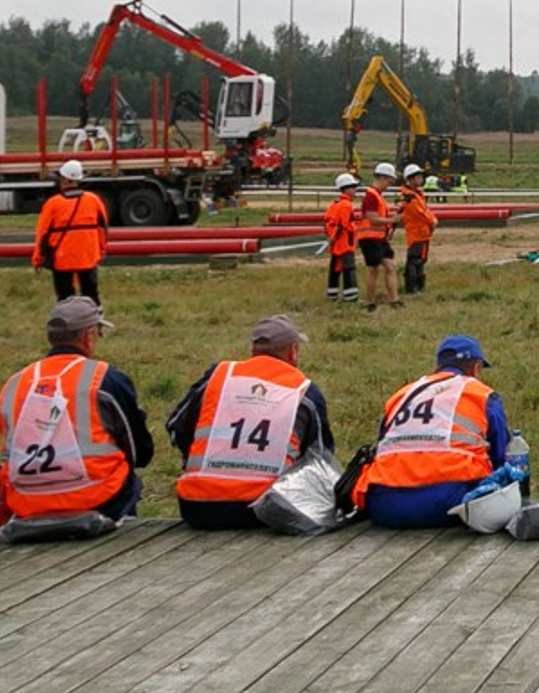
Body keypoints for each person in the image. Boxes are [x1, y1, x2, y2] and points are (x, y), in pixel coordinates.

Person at [167, 314, 335, 530]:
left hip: (199, 507)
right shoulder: (304, 390)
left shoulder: (219, 376)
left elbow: (176, 425)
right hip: (271, 508)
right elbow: (320, 460)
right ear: (293, 351)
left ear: (253, 350)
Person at [0, 295, 153, 522]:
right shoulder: (104, 378)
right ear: (89, 335)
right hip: (96, 499)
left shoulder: (14, 384)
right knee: (128, 477)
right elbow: (140, 453)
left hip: (27, 503)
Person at [354, 334, 511, 529]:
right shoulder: (482, 394)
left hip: (383, 504)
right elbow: (502, 457)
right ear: (476, 368)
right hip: (452, 503)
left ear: (438, 366)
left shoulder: (402, 394)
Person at [30, 158, 108, 302]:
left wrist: (38, 259)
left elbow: (43, 234)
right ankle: (95, 316)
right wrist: (101, 251)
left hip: (62, 259)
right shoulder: (94, 200)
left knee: (65, 297)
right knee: (91, 295)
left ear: (64, 180)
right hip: (88, 256)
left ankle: (68, 316)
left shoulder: (53, 204)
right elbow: (102, 229)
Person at [358, 161, 400, 311]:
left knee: (390, 266)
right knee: (374, 270)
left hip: (379, 238)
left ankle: (394, 300)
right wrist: (391, 220)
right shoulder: (371, 196)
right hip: (369, 238)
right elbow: (373, 219)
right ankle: (371, 303)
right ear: (382, 178)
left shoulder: (377, 196)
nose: (389, 185)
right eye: (389, 181)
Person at [399, 164, 436, 296]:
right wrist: (432, 221)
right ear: (410, 179)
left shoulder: (416, 194)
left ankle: (418, 287)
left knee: (419, 260)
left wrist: (431, 220)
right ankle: (412, 288)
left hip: (422, 231)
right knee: (414, 260)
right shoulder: (410, 196)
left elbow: (424, 209)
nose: (421, 179)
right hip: (416, 232)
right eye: (418, 177)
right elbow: (420, 212)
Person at [324, 173, 360, 302]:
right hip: (345, 242)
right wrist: (355, 230)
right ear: (346, 188)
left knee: (334, 270)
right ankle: (351, 296)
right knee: (349, 269)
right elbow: (346, 225)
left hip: (336, 243)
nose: (355, 190)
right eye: (353, 187)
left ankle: (332, 294)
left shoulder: (335, 203)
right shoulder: (346, 205)